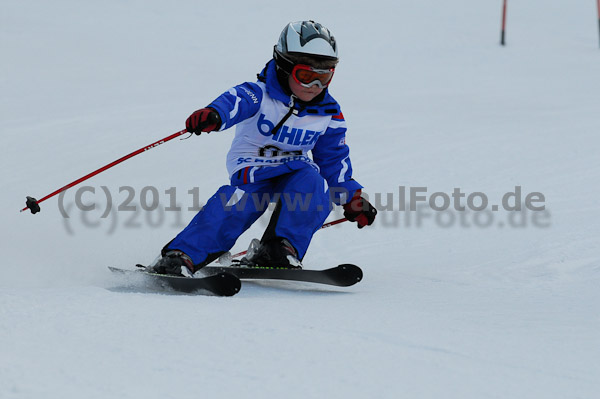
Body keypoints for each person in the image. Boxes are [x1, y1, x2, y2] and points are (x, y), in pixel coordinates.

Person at [152, 20, 377, 277]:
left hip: (295, 170)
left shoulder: (328, 112)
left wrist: (351, 196)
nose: (315, 85)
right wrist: (214, 115)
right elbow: (235, 101)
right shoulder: (259, 94)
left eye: (324, 76)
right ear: (284, 66)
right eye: (306, 75)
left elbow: (333, 158)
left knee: (315, 184)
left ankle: (279, 250)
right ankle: (182, 256)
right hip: (253, 169)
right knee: (238, 204)